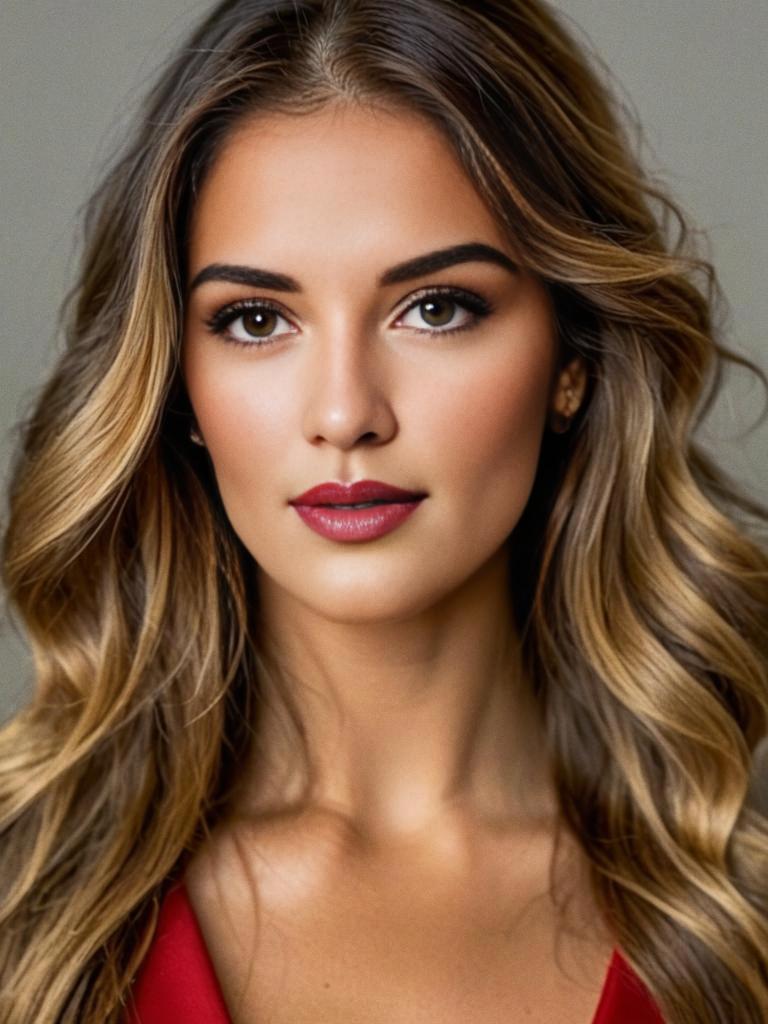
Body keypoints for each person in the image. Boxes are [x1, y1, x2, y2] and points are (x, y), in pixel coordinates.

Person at [1, 1, 766, 1022]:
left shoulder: (740, 914)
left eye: (436, 307)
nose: (345, 413)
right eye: (257, 319)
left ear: (572, 363)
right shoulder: (26, 910)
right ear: (178, 385)